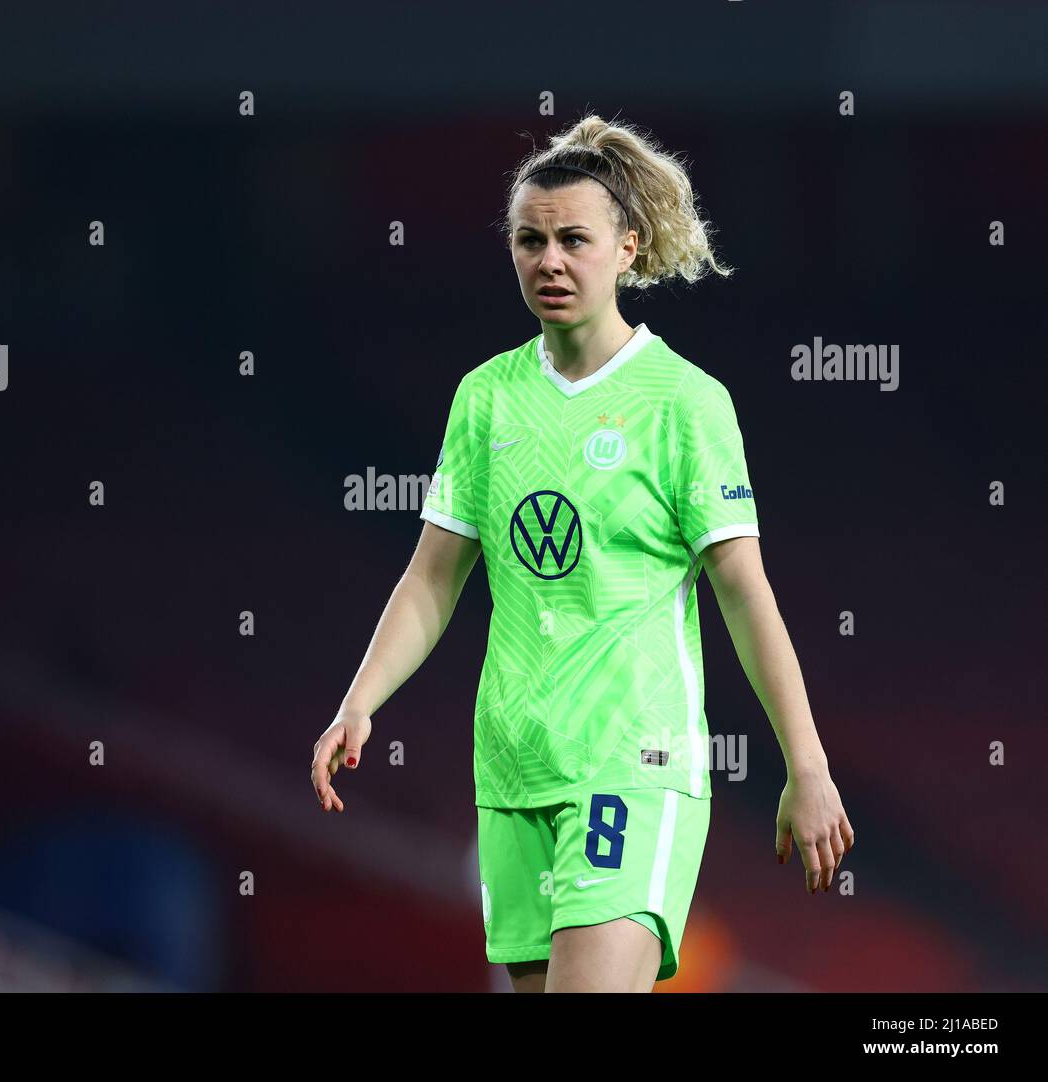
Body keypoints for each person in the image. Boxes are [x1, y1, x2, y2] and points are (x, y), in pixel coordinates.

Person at [310, 113, 854, 993]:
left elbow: (745, 592)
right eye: (530, 240)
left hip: (634, 763)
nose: (549, 261)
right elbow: (433, 576)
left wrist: (809, 766)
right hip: (515, 765)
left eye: (573, 240)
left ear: (627, 249)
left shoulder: (684, 402)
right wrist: (360, 701)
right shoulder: (486, 400)